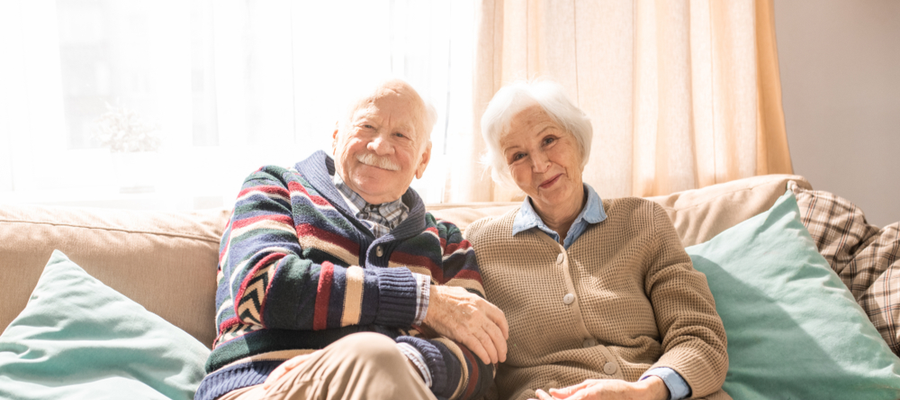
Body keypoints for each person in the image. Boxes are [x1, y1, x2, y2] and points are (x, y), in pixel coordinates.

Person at [195, 78, 508, 400]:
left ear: (423, 160)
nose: (380, 146)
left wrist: (410, 363)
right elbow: (262, 288)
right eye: (367, 127)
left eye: (400, 135)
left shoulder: (447, 242)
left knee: (380, 359)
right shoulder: (276, 188)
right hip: (267, 385)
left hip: (400, 388)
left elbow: (482, 349)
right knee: (376, 355)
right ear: (336, 137)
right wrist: (421, 301)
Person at [466, 80, 730, 400]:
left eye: (549, 140)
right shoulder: (479, 245)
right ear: (506, 171)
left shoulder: (642, 221)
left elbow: (700, 336)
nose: (538, 164)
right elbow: (472, 363)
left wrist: (643, 391)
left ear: (577, 139)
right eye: (518, 155)